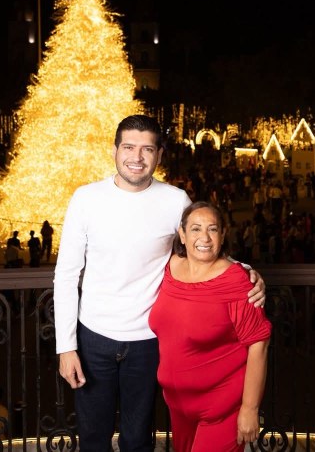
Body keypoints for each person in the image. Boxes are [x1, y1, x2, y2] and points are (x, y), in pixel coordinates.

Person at [54, 114, 265, 452]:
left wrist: (242, 269)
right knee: (93, 438)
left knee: (138, 439)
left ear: (159, 155)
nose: (136, 157)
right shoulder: (86, 199)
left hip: (148, 342)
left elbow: (198, 246)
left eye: (147, 149)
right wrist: (66, 346)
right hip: (93, 337)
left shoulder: (174, 200)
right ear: (114, 150)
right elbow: (66, 273)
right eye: (129, 147)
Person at [149, 202, 271, 452]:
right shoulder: (168, 269)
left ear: (223, 235)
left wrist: (250, 409)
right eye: (195, 229)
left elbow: (259, 344)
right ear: (182, 235)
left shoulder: (236, 280)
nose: (204, 237)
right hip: (178, 405)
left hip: (221, 406)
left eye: (212, 229)